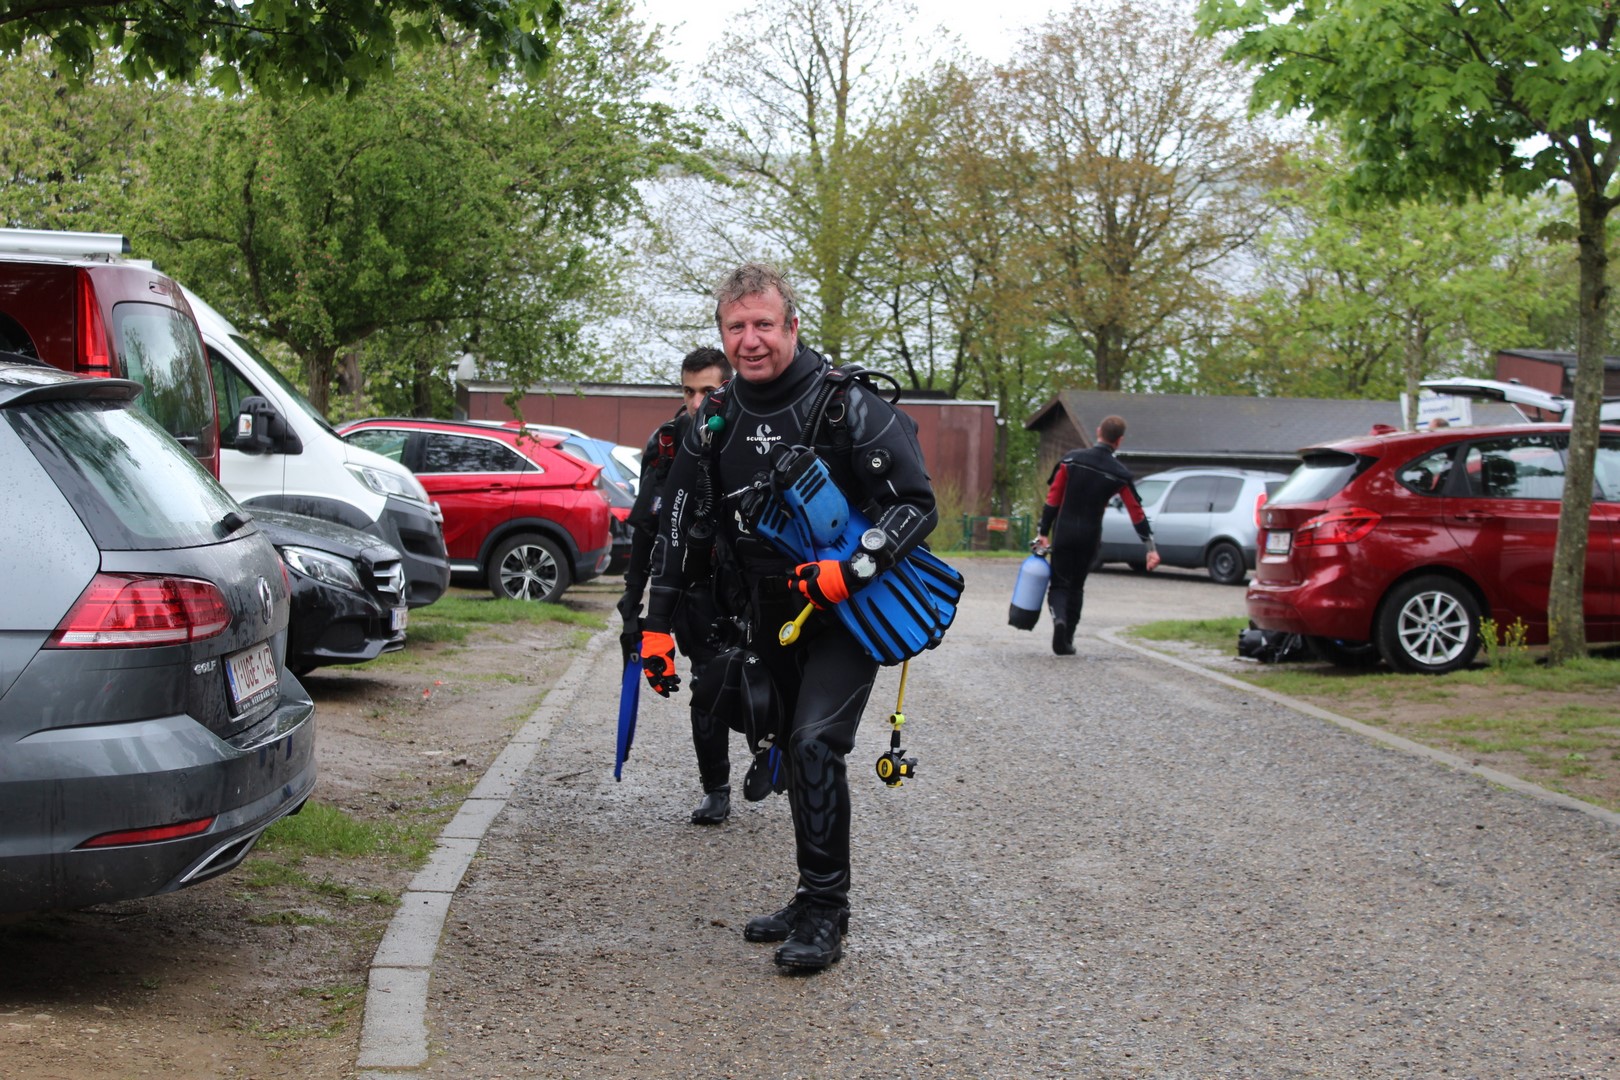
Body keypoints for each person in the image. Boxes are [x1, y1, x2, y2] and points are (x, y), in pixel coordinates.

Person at [638, 262, 938, 972]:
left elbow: (916, 505)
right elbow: (679, 528)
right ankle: (810, 896)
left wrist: (853, 570)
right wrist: (655, 624)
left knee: (813, 744)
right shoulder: (715, 419)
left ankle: (828, 911)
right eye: (736, 326)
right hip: (763, 613)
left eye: (764, 324)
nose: (750, 340)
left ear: (793, 326)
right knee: (783, 741)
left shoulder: (846, 404)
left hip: (847, 611)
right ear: (722, 333)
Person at [618, 346, 734, 825]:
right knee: (706, 681)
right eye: (689, 391)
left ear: (728, 388)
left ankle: (778, 754)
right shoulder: (666, 442)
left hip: (748, 584)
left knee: (770, 676)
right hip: (689, 584)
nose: (697, 402)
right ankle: (716, 787)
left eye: (708, 391)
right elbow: (646, 528)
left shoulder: (751, 435)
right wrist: (633, 603)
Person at [1034, 415, 1160, 656]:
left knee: (1059, 584)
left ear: (1098, 431)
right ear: (1119, 441)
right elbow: (1136, 512)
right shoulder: (1120, 473)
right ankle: (1068, 638)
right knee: (1077, 586)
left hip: (1064, 532)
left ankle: (1059, 620)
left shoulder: (1071, 460)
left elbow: (1053, 498)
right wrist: (1150, 548)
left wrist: (1043, 532)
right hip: (1090, 536)